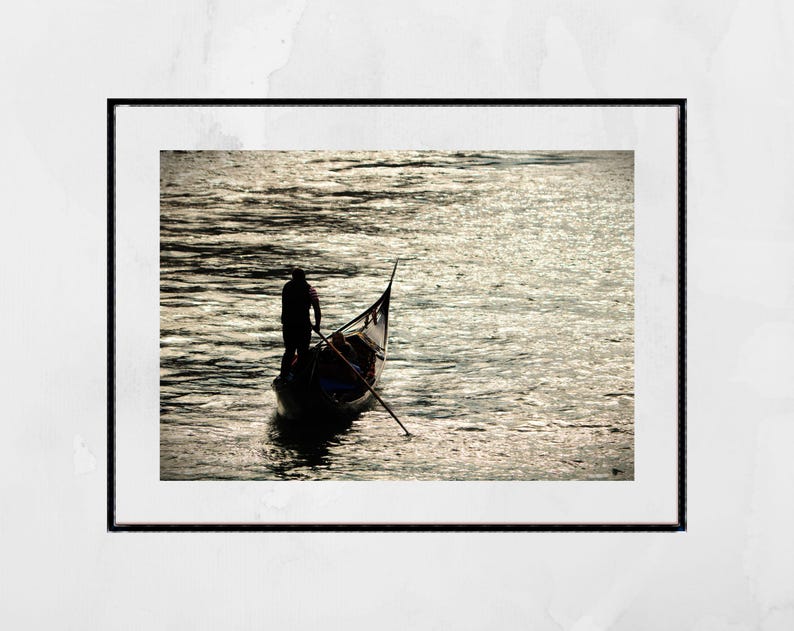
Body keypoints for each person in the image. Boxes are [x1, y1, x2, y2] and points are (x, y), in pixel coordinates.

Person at [279, 267, 321, 379]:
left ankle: (284, 375)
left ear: (293, 277)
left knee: (289, 351)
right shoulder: (310, 289)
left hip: (288, 325)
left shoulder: (286, 287)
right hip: (303, 326)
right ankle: (299, 376)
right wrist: (317, 325)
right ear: (304, 277)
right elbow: (317, 309)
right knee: (303, 352)